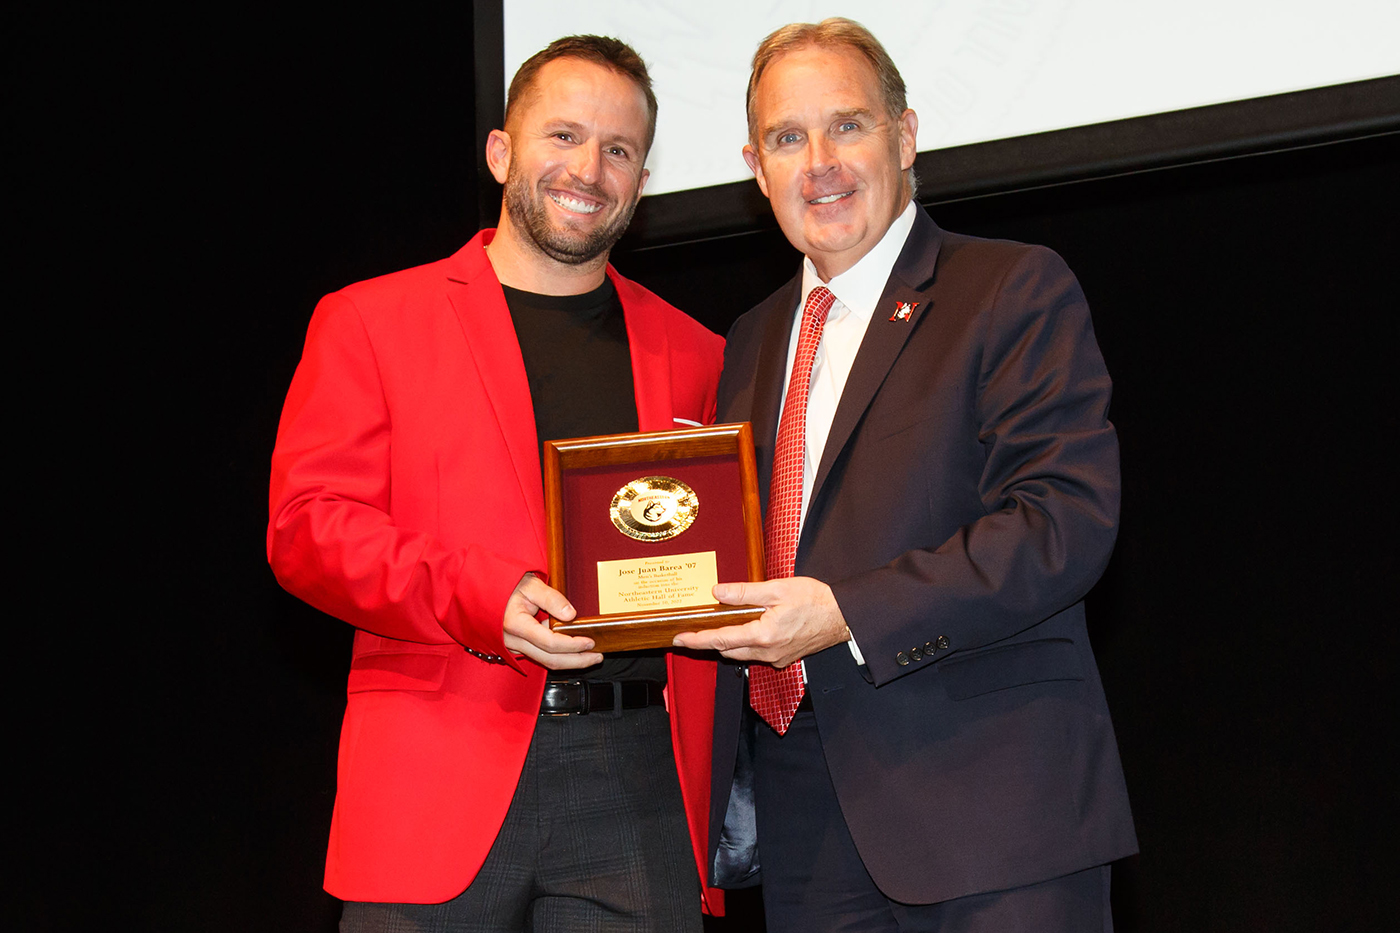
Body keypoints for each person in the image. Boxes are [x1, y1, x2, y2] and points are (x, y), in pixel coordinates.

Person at [675, 18, 1136, 932]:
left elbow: (1063, 523)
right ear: (754, 167)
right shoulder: (752, 340)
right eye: (786, 138)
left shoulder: (1009, 289)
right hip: (805, 819)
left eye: (847, 125)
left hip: (993, 816)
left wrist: (848, 611)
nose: (820, 163)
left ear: (906, 134)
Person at [268, 35, 724, 932]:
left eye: (619, 149)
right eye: (563, 135)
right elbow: (308, 528)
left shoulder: (697, 353)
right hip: (435, 771)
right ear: (501, 151)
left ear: (640, 178)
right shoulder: (369, 320)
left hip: (638, 782)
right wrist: (485, 594)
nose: (588, 168)